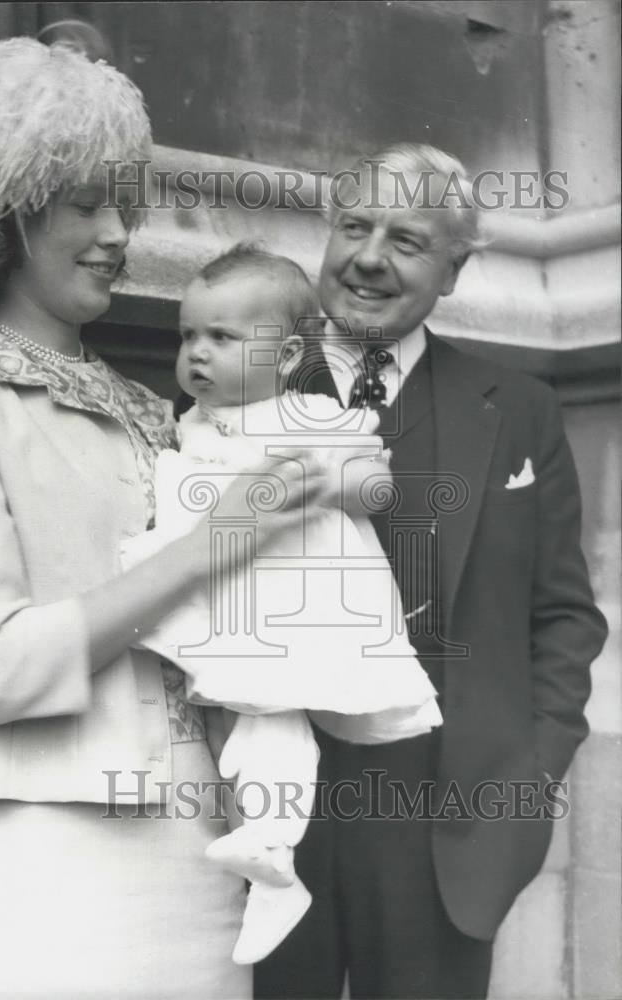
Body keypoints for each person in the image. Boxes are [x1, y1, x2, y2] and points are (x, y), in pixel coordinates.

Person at [0, 37, 326, 1000]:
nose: (121, 233)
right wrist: (217, 542)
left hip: (200, 843)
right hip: (47, 848)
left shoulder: (157, 408)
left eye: (123, 204)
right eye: (87, 205)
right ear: (5, 219)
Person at [253, 144, 609, 1000]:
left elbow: (563, 614)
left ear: (452, 271)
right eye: (353, 227)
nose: (369, 256)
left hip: (447, 819)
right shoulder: (239, 379)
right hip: (271, 804)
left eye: (406, 240)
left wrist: (529, 778)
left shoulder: (519, 407)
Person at [120, 243, 443, 966]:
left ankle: (271, 851)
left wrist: (319, 484)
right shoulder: (187, 423)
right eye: (187, 336)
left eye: (222, 338)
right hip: (223, 598)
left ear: (288, 351)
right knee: (239, 726)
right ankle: (264, 857)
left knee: (274, 716)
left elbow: (376, 484)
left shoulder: (308, 412)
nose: (197, 354)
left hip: (296, 604)